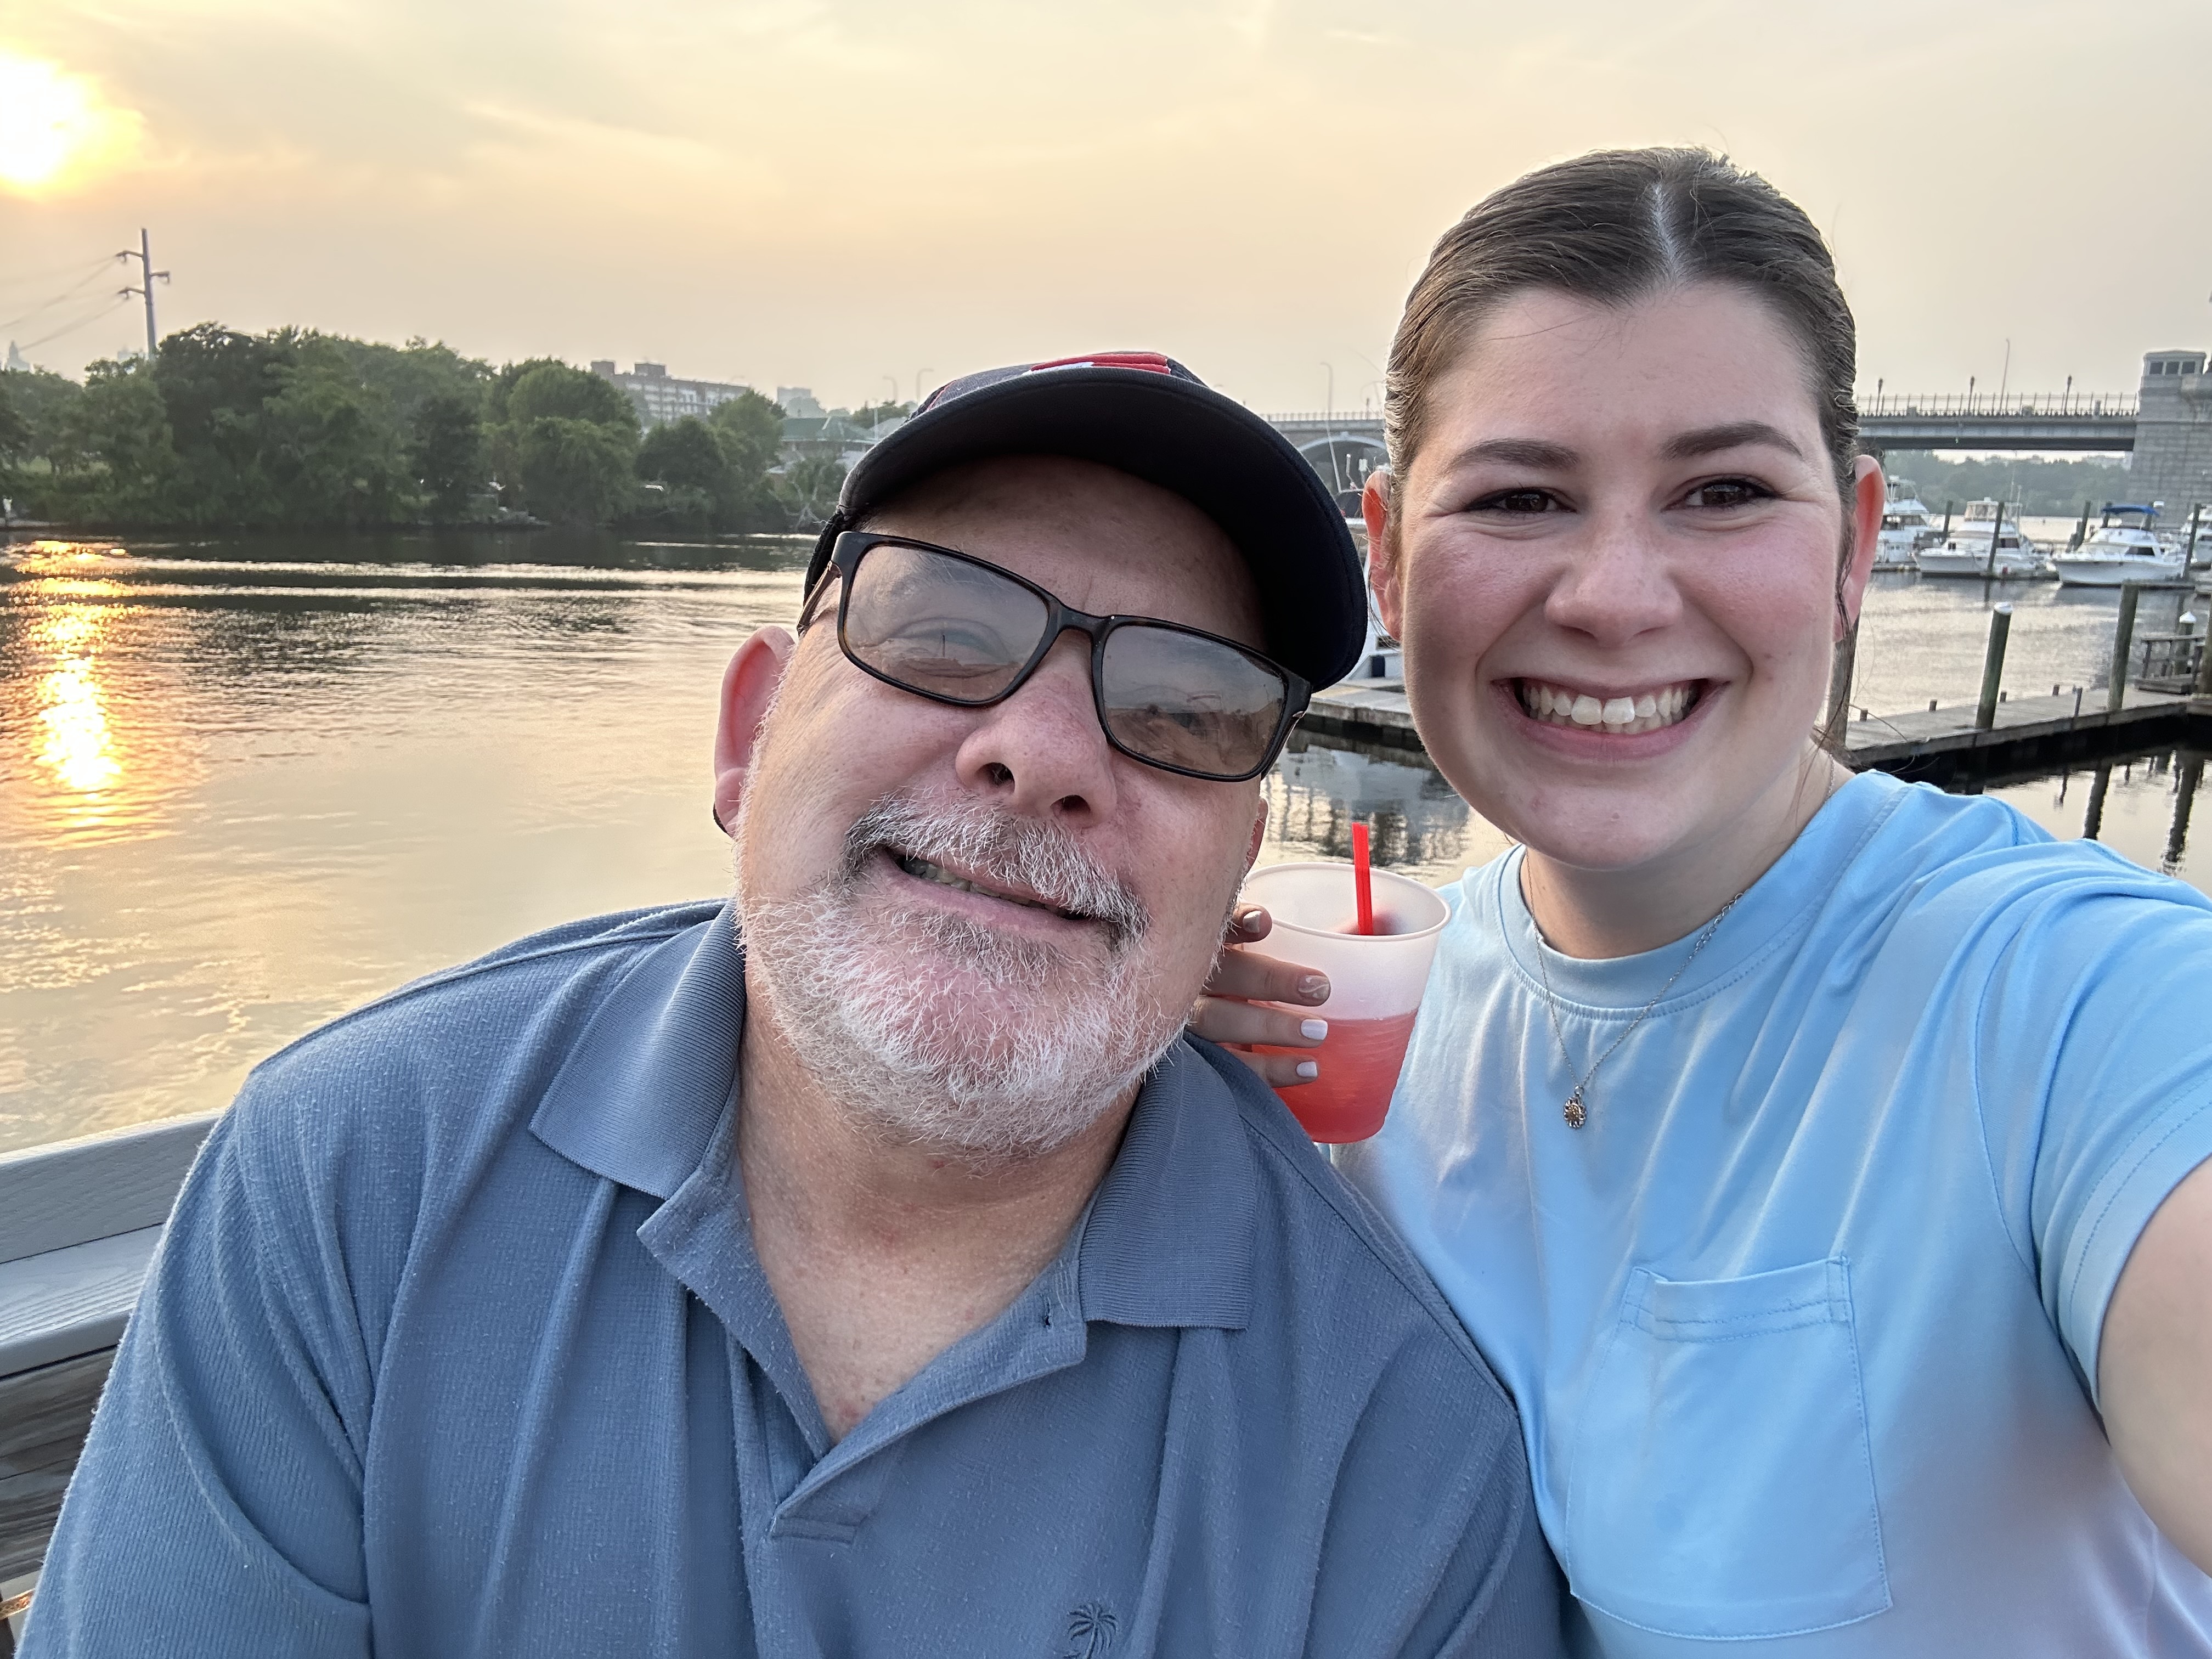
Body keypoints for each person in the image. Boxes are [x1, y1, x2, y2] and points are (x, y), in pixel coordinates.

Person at [23, 353, 1563, 1658]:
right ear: (752, 730)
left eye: (1177, 709)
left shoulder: (1395, 1447)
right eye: (946, 634)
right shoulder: (357, 1182)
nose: (1038, 751)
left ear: (1239, 854)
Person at [1200, 151, 2212, 1655]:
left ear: (1857, 544)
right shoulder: (1356, 1024)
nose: (1615, 594)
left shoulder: (2077, 999)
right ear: (1393, 558)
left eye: (1724, 492)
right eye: (1524, 496)